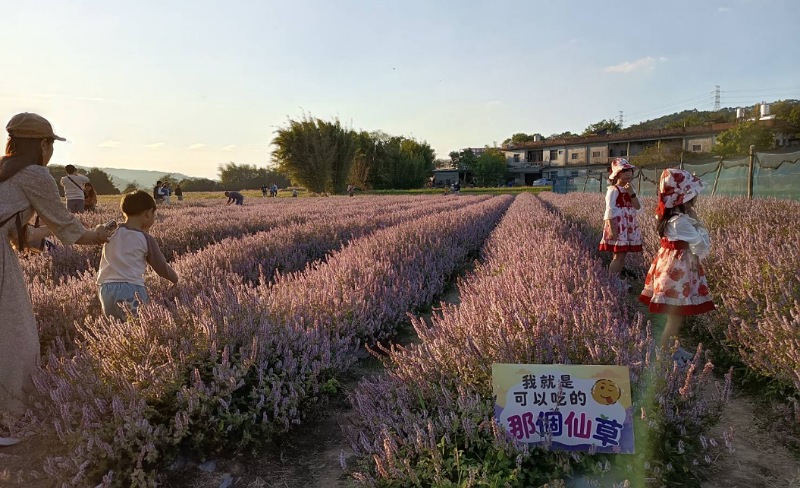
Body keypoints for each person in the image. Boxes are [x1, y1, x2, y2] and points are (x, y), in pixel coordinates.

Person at [0, 113, 110, 441]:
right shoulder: (36, 174)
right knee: (16, 337)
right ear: (42, 145)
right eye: (50, 143)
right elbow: (66, 226)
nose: (51, 151)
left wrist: (56, 231)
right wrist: (96, 236)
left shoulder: (5, 172)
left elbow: (20, 231)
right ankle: (9, 421)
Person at [639, 168, 715, 358]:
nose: (696, 198)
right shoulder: (679, 221)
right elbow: (701, 245)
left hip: (670, 267)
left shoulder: (668, 216)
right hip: (677, 272)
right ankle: (664, 352)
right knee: (676, 315)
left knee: (676, 314)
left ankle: (671, 346)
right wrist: (698, 222)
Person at [97, 190, 179, 321]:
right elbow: (161, 267)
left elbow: (97, 233)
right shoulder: (145, 238)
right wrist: (175, 279)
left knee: (116, 327)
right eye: (154, 214)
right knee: (139, 324)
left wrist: (99, 228)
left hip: (105, 289)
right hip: (131, 289)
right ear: (148, 214)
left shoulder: (112, 230)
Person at [599, 158, 642, 277]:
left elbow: (638, 206)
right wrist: (612, 229)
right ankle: (611, 280)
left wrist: (631, 192)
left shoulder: (630, 188)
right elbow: (609, 210)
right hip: (618, 225)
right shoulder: (613, 190)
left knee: (622, 255)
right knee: (619, 255)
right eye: (624, 171)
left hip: (628, 225)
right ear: (617, 174)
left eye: (629, 171)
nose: (628, 174)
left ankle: (615, 280)